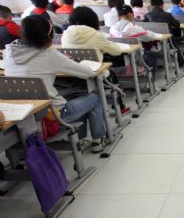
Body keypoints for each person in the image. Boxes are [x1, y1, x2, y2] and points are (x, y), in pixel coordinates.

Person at [3, 16, 107, 152]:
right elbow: (87, 72)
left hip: (22, 116)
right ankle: (98, 140)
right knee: (95, 97)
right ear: (49, 36)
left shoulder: (9, 53)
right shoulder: (49, 55)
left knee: (72, 98)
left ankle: (80, 140)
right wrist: (65, 61)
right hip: (52, 115)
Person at [62, 6, 130, 114]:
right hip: (95, 76)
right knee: (111, 74)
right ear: (92, 20)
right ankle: (119, 107)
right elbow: (116, 51)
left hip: (73, 76)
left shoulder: (65, 34)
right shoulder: (95, 35)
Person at [109, 5, 163, 71]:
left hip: (118, 58)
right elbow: (151, 37)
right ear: (130, 14)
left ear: (118, 15)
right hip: (135, 59)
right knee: (151, 56)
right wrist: (147, 31)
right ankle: (151, 78)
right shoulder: (133, 28)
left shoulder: (112, 28)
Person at [144, 0, 184, 66]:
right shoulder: (167, 15)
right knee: (174, 41)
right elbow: (177, 25)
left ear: (151, 5)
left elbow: (144, 27)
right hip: (168, 42)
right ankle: (181, 63)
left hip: (153, 42)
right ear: (162, 5)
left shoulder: (147, 16)